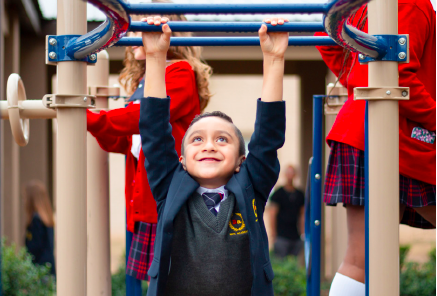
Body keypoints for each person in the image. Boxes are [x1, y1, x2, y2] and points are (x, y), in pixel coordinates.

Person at [138, 16, 288, 296]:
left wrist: (274, 58)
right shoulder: (170, 187)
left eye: (222, 139)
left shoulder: (250, 187)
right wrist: (155, 55)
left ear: (241, 161)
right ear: (181, 160)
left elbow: (267, 137)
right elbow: (155, 134)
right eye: (197, 140)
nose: (209, 146)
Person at [314, 0, 436, 295]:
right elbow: (400, 76)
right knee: (361, 260)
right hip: (386, 132)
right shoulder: (407, 3)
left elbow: (326, 39)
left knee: (361, 259)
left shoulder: (363, 6)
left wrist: (359, 85)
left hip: (369, 128)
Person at [86, 0, 212, 281]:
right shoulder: (145, 80)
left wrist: (95, 119)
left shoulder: (179, 73)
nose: (132, 37)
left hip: (168, 194)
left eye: (141, 28)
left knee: (173, 280)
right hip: (146, 198)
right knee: (158, 281)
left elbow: (144, 118)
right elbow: (127, 142)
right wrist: (94, 124)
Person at [268, 165, 305, 258]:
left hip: (295, 236)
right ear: (285, 175)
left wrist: (302, 234)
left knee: (293, 263)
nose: (290, 175)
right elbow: (272, 214)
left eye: (292, 173)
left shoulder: (300, 194)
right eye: (288, 173)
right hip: (281, 236)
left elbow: (302, 215)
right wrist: (274, 234)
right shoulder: (278, 193)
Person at [24, 180, 56, 276]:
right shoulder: (46, 220)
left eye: (25, 197)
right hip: (48, 269)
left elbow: (34, 248)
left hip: (40, 272)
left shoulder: (36, 221)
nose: (24, 201)